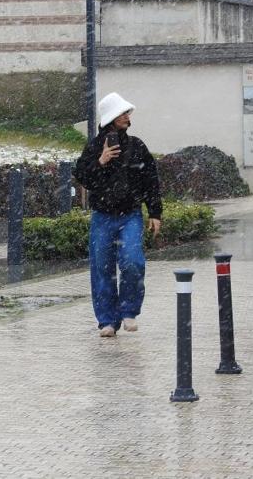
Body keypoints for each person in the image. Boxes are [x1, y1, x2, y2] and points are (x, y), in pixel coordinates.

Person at [73, 92, 162, 337]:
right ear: (111, 118)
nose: (127, 116)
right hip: (102, 217)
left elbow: (151, 181)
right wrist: (101, 161)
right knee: (102, 269)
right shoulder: (94, 147)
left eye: (127, 112)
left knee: (133, 262)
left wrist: (155, 212)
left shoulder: (137, 146)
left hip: (130, 215)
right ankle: (107, 321)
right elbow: (82, 177)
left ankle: (129, 310)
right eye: (122, 113)